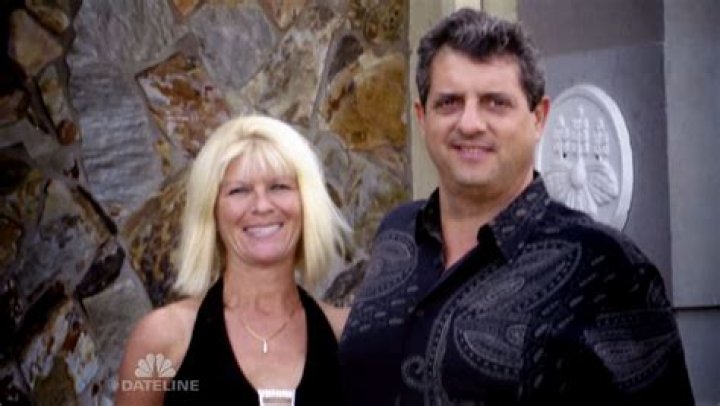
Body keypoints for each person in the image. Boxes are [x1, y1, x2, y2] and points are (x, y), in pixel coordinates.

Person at [339, 8, 694, 405]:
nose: (470, 123)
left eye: (495, 103)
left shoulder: (608, 268)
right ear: (422, 118)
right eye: (449, 102)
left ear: (539, 118)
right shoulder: (397, 233)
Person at [116, 115, 351, 405]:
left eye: (279, 187)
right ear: (212, 212)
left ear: (307, 204)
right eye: (239, 191)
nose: (262, 206)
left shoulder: (347, 334)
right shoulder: (163, 338)